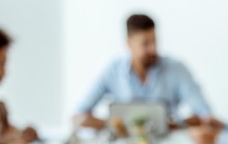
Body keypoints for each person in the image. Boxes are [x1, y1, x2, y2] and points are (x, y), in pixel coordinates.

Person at [75, 14, 216, 130]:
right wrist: (117, 125)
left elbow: (206, 115)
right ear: (129, 43)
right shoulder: (112, 71)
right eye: (145, 43)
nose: (153, 49)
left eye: (154, 41)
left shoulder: (177, 69)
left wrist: (171, 125)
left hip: (168, 142)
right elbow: (78, 117)